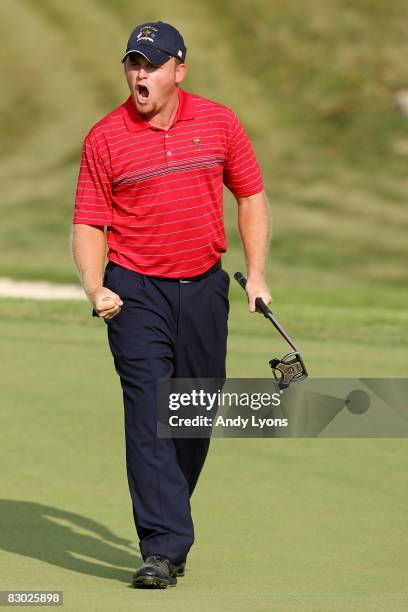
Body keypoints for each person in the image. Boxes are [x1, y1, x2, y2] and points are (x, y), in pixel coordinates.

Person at [71, 20, 271, 589]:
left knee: (193, 415)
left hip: (205, 287)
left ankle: (169, 521)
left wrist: (256, 274)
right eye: (133, 63)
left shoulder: (219, 121)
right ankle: (161, 547)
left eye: (151, 64)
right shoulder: (104, 137)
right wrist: (95, 286)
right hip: (134, 291)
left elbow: (251, 195)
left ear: (178, 70)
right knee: (149, 415)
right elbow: (88, 222)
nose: (140, 74)